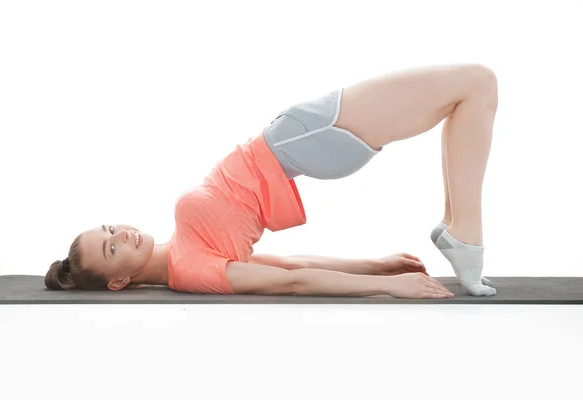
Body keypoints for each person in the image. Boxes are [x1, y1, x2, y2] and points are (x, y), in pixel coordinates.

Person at [45, 63, 499, 299]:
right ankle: (465, 236)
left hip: (297, 139)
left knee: (465, 95)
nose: (120, 234)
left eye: (109, 229)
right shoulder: (190, 271)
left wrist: (375, 264)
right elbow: (290, 284)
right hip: (302, 141)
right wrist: (388, 287)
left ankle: (457, 226)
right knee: (476, 83)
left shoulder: (184, 249)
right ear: (119, 281)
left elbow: (288, 263)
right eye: (112, 248)